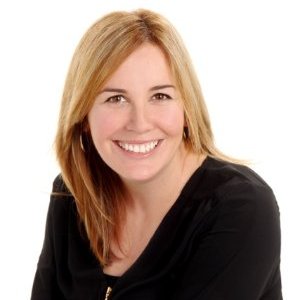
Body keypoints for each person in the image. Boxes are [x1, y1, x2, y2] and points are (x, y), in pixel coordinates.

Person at [31, 8, 282, 300]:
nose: (140, 123)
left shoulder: (241, 207)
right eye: (116, 98)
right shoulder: (73, 192)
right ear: (84, 117)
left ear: (187, 109)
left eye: (160, 96)